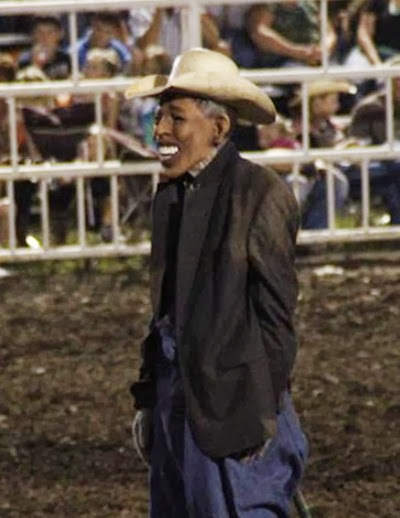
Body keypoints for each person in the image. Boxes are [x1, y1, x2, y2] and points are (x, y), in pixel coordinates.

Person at [127, 48, 308, 517]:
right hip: (180, 394)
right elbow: (165, 308)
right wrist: (151, 396)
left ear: (219, 128)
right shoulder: (171, 196)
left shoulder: (261, 194)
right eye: (160, 116)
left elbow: (276, 320)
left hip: (233, 402)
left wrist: (260, 413)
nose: (160, 130)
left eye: (176, 118)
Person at [18, 14, 71, 80]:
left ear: (59, 34)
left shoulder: (65, 59)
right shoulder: (23, 59)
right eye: (40, 32)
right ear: (33, 35)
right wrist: (35, 64)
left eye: (50, 33)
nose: (44, 37)